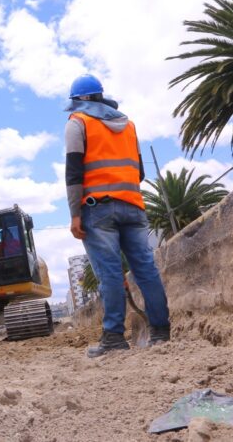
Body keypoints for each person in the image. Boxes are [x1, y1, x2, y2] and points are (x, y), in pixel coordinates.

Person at [64, 74, 171, 358]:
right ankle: (161, 331)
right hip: (133, 205)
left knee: (109, 273)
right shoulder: (128, 125)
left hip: (97, 208)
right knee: (146, 269)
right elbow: (140, 172)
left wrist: (75, 213)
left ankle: (113, 337)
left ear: (79, 100)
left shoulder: (78, 123)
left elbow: (74, 173)